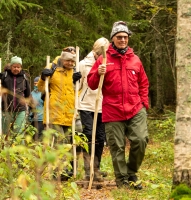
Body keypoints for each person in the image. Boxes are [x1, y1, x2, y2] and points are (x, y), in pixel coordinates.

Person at [87, 21, 149, 190]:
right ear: (112, 39)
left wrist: (144, 104)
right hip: (112, 110)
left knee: (141, 140)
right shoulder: (103, 59)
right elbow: (92, 84)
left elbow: (143, 83)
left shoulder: (135, 60)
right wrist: (98, 73)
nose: (122, 40)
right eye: (119, 37)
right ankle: (122, 181)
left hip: (135, 108)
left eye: (125, 37)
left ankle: (131, 173)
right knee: (117, 146)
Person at [37, 46, 82, 179]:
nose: (70, 64)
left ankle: (67, 169)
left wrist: (75, 83)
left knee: (73, 142)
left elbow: (76, 93)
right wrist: (43, 77)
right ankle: (59, 172)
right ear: (62, 58)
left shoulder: (73, 71)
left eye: (73, 62)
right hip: (54, 113)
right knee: (60, 144)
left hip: (69, 113)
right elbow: (41, 88)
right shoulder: (52, 68)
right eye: (68, 61)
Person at [78, 37, 110, 182]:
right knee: (88, 135)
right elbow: (76, 87)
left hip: (102, 106)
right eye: (100, 54)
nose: (102, 57)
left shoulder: (108, 63)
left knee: (101, 137)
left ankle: (96, 168)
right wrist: (74, 79)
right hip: (85, 105)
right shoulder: (83, 64)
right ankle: (88, 169)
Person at [0, 56, 31, 136]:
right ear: (11, 66)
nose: (16, 69)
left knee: (19, 134)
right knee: (4, 134)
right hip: (6, 110)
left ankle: (19, 148)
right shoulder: (4, 76)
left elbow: (28, 94)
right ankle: (4, 147)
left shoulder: (24, 77)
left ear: (21, 67)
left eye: (18, 67)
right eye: (14, 67)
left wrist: (30, 109)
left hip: (20, 110)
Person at [29, 76, 44, 141]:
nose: (36, 85)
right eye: (35, 83)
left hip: (41, 119)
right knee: (33, 137)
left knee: (39, 136)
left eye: (37, 83)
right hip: (32, 119)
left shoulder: (43, 93)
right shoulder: (31, 94)